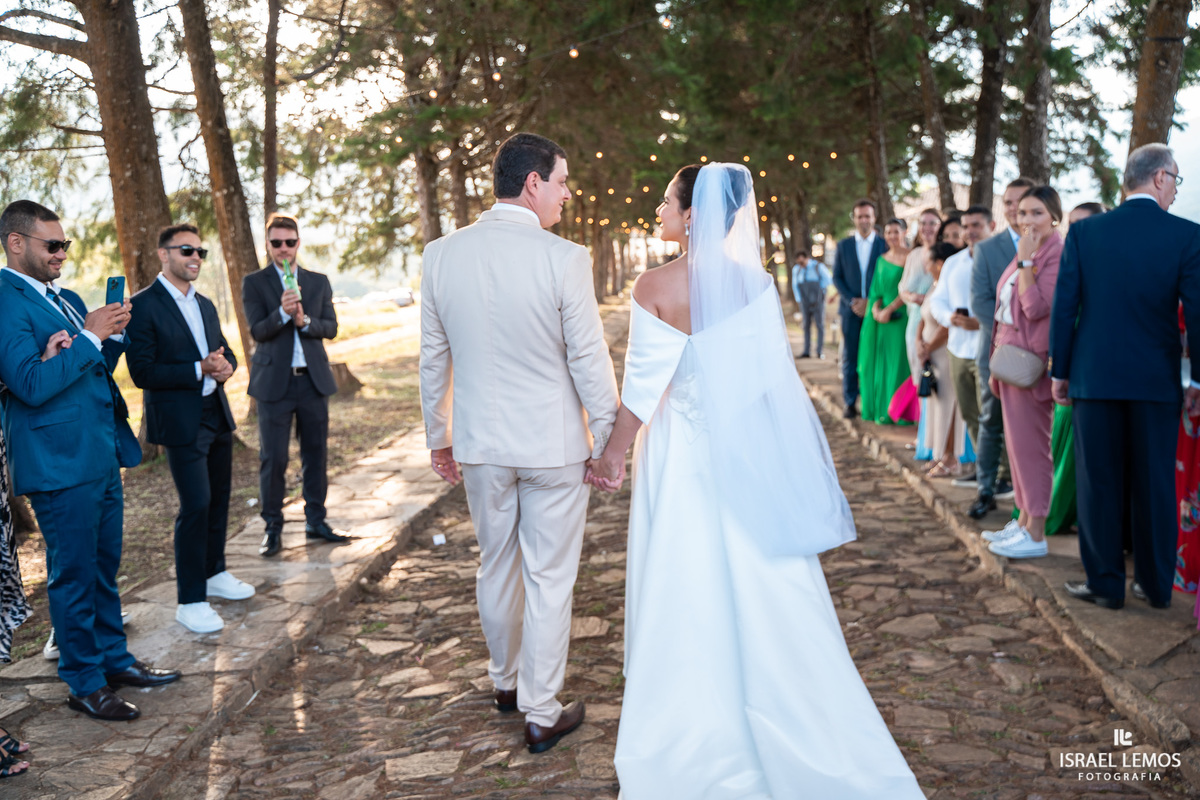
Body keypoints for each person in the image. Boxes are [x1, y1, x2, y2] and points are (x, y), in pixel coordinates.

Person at [593, 163, 923, 798]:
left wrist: (610, 454)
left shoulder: (655, 285)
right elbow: (772, 385)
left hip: (681, 454)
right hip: (742, 451)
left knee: (682, 572)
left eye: (666, 200)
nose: (658, 210)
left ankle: (688, 725)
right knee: (759, 579)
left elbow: (642, 389)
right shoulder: (757, 286)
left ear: (693, 214)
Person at [419, 132, 619, 754]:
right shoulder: (564, 257)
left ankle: (505, 682)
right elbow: (588, 355)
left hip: (481, 444)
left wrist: (440, 435)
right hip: (553, 445)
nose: (565, 195)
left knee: (496, 562)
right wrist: (609, 437)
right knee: (550, 576)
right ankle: (540, 708)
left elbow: (434, 357)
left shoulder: (441, 255)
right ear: (532, 182)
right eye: (561, 181)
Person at [0, 200, 181, 722]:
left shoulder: (70, 298)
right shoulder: (7, 301)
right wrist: (88, 336)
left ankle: (114, 660)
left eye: (64, 245)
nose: (61, 253)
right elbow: (30, 385)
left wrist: (110, 336)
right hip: (58, 462)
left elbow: (91, 368)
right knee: (73, 573)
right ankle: (83, 680)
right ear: (17, 244)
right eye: (50, 245)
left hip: (99, 452)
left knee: (103, 567)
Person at [1052, 144, 1200, 610]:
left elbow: (1065, 306)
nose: (1176, 189)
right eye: (1175, 179)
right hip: (1156, 381)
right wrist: (1198, 381)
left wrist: (1061, 369)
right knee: (1155, 482)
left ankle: (1106, 584)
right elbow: (1197, 314)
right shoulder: (1187, 236)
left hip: (1093, 378)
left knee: (1099, 480)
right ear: (1158, 178)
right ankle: (1156, 587)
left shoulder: (1086, 232)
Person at [126, 224, 254, 634]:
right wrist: (198, 368)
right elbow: (141, 371)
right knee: (195, 504)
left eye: (200, 251)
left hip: (215, 413)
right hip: (180, 421)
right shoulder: (142, 306)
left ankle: (215, 573)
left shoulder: (206, 304)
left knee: (218, 499)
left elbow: (223, 351)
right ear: (164, 255)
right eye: (186, 250)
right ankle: (190, 599)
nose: (195, 257)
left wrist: (226, 365)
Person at [243, 213, 346, 558]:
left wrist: (306, 321)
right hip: (275, 385)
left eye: (289, 242)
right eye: (276, 243)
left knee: (315, 455)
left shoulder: (317, 281)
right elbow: (257, 330)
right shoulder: (255, 283)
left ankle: (316, 519)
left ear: (298, 243)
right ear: (268, 245)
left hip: (313, 382)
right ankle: (272, 528)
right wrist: (282, 315)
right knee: (273, 459)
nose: (283, 249)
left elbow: (330, 327)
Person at [981, 186, 1065, 560]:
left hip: (1032, 366)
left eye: (1037, 213)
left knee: (1032, 450)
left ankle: (1037, 533)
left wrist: (1026, 263)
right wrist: (993, 366)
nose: (1027, 220)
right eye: (1023, 213)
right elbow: (1002, 312)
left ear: (1053, 217)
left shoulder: (1052, 254)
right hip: (1009, 363)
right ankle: (1023, 520)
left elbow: (1034, 308)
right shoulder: (1027, 252)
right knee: (1016, 450)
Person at [967, 179, 1034, 519]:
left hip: (1037, 355)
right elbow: (980, 301)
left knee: (1031, 425)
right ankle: (985, 490)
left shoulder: (1051, 246)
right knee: (990, 419)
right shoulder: (988, 249)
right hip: (995, 350)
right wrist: (1010, 340)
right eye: (1008, 202)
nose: (1012, 207)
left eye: (1020, 201)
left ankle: (1028, 501)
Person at [1043, 202, 1105, 536]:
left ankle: (1079, 514)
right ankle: (1054, 510)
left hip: (1093, 371)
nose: (1074, 231)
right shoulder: (1069, 261)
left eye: (1082, 224)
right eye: (1071, 224)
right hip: (1070, 370)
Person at [928, 206, 995, 486]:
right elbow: (938, 299)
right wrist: (949, 318)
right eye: (966, 226)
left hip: (988, 348)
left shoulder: (999, 259)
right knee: (969, 412)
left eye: (976, 225)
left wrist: (982, 322)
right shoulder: (954, 262)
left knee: (990, 415)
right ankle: (983, 469)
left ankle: (997, 474)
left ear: (991, 226)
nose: (970, 231)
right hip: (957, 347)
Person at [917, 242, 968, 478]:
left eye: (928, 260)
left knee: (948, 404)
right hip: (930, 354)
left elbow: (947, 325)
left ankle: (951, 458)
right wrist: (920, 342)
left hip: (944, 353)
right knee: (936, 406)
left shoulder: (950, 288)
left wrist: (928, 347)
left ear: (939, 263)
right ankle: (939, 454)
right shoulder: (934, 286)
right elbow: (923, 318)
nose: (925, 265)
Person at [831, 199, 887, 418]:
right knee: (850, 356)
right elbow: (836, 277)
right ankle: (850, 401)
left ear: (874, 218)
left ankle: (873, 402)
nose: (864, 220)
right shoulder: (843, 246)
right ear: (854, 218)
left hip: (876, 311)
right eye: (860, 216)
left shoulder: (884, 245)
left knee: (875, 355)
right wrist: (852, 301)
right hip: (850, 310)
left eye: (868, 216)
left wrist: (871, 303)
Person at [857, 218, 912, 424]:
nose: (892, 236)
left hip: (901, 316)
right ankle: (884, 409)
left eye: (896, 232)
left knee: (899, 362)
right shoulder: (882, 259)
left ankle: (901, 412)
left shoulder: (911, 257)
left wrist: (889, 309)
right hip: (881, 320)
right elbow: (876, 290)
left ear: (904, 232)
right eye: (888, 232)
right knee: (883, 361)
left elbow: (910, 288)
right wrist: (876, 310)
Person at [791, 251, 831, 359]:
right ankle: (806, 351)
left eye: (802, 262)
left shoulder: (818, 267)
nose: (801, 264)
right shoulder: (797, 269)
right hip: (804, 301)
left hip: (818, 301)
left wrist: (818, 291)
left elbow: (828, 279)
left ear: (807, 258)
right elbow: (795, 285)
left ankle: (819, 351)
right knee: (806, 325)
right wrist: (799, 300)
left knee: (820, 325)